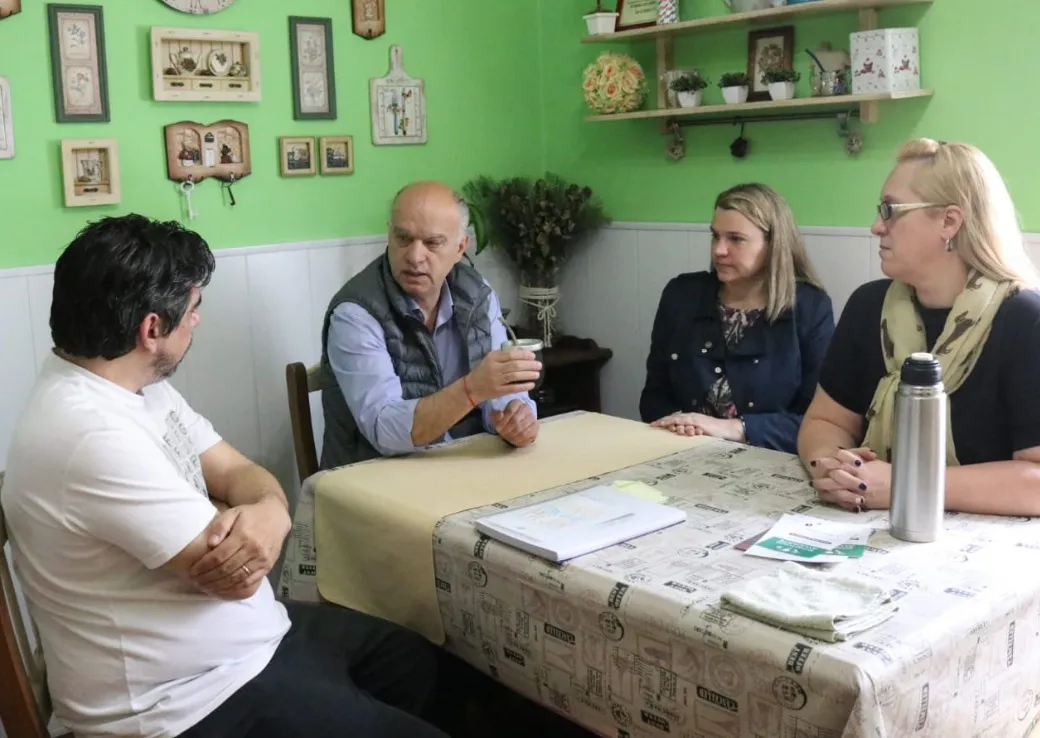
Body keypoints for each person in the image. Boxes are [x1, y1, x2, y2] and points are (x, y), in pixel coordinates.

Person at [0, 215, 450, 738]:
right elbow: (238, 576)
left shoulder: (137, 386)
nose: (197, 321)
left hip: (250, 643)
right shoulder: (87, 433)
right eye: (193, 309)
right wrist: (252, 510)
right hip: (183, 703)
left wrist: (266, 511)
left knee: (414, 663)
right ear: (151, 329)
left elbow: (238, 470)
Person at [798, 138, 1040, 516]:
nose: (876, 226)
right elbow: (826, 420)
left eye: (890, 210)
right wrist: (836, 468)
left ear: (949, 222)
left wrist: (907, 484)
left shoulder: (1025, 319)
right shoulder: (867, 306)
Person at [319, 180, 540, 469]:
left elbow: (502, 390)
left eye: (432, 243)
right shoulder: (355, 313)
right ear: (389, 234)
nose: (414, 256)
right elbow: (384, 432)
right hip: (373, 477)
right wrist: (471, 390)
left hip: (461, 466)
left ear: (460, 247)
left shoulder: (477, 294)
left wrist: (516, 415)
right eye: (403, 238)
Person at [640, 182, 834, 452]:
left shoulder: (809, 306)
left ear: (773, 244)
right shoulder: (681, 295)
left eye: (735, 239)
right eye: (715, 236)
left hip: (769, 459)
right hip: (680, 450)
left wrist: (734, 428)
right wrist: (680, 425)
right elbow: (654, 396)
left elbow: (822, 423)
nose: (719, 250)